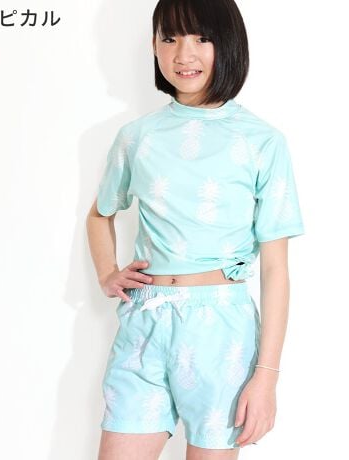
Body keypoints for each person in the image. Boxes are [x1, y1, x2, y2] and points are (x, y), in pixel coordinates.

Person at [86, 0, 305, 458]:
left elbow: (276, 270)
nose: (184, 54)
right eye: (170, 38)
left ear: (228, 44)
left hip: (221, 331)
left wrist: (266, 376)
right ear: (154, 46)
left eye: (202, 38)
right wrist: (107, 272)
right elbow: (100, 214)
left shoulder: (262, 141)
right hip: (143, 322)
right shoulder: (137, 137)